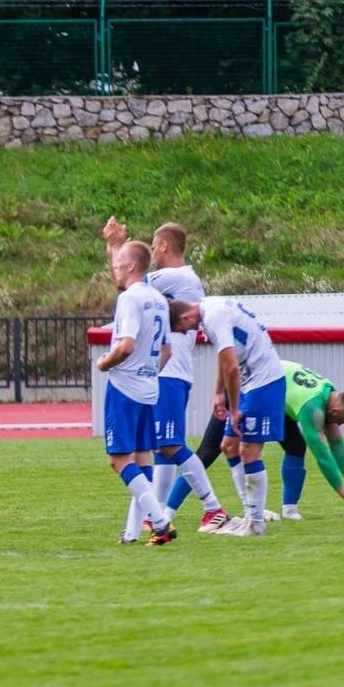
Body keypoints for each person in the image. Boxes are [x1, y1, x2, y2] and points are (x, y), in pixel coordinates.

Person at [103, 218, 230, 539]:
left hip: (166, 375)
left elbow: (126, 282)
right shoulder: (167, 287)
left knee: (168, 445)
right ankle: (144, 523)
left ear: (161, 246)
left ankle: (211, 506)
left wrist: (116, 246)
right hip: (162, 373)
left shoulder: (174, 277)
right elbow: (128, 277)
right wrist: (116, 248)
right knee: (155, 451)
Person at [168, 297, 286, 536]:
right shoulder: (211, 306)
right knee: (229, 446)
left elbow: (231, 366)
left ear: (184, 317)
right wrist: (218, 392)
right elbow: (225, 357)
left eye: (182, 329)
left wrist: (234, 410)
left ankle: (255, 523)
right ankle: (249, 515)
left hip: (263, 382)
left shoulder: (214, 317)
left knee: (248, 451)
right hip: (251, 382)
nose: (188, 332)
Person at [96, 242, 180, 545]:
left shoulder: (130, 299)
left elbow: (127, 344)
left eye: (119, 263)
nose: (115, 268)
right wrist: (147, 371)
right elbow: (167, 351)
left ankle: (159, 522)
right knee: (142, 459)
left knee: (118, 460)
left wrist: (106, 362)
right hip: (149, 388)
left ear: (131, 266)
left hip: (125, 386)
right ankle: (131, 533)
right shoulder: (157, 298)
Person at [273, 361, 344, 517]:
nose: (338, 425)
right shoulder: (312, 408)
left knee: (296, 448)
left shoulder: (330, 395)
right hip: (253, 382)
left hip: (276, 396)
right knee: (236, 447)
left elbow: (338, 445)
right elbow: (322, 455)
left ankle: (289, 510)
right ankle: (244, 511)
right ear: (334, 411)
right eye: (340, 421)